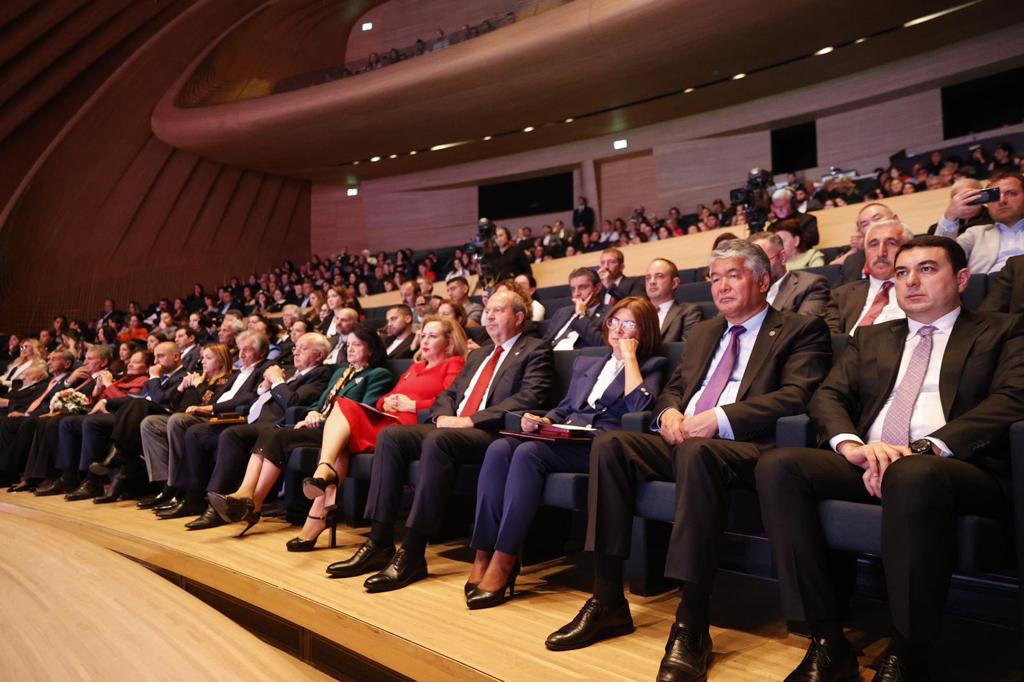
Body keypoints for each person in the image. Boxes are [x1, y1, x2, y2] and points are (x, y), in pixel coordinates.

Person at [545, 240, 831, 682]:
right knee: (612, 444)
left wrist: (718, 419)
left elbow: (797, 395)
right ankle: (607, 600)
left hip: (750, 448)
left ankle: (692, 621)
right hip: (686, 438)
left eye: (733, 275)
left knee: (698, 451)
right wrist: (669, 414)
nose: (721, 286)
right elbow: (674, 389)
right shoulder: (703, 333)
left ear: (762, 280)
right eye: (715, 278)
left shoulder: (800, 329)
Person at [756, 235, 1024, 682]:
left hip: (957, 468)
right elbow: (828, 396)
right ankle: (826, 639)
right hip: (871, 458)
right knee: (778, 466)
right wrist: (852, 446)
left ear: (961, 279)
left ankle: (909, 648)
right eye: (902, 273)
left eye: (927, 269)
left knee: (913, 474)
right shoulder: (872, 337)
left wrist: (924, 448)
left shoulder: (1003, 330)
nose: (911, 281)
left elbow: (1013, 398)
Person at [325, 290, 552, 592]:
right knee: (391, 436)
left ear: (519, 317)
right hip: (453, 427)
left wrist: (471, 420)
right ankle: (379, 541)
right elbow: (449, 394)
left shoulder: (535, 349)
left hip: (492, 434)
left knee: (439, 441)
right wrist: (443, 416)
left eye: (498, 310)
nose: (489, 316)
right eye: (488, 310)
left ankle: (413, 551)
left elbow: (530, 397)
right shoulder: (480, 354)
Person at [467, 297, 666, 609]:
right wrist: (545, 421)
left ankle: (505, 561)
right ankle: (482, 554)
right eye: (614, 321)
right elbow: (565, 408)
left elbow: (639, 407)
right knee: (499, 448)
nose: (617, 330)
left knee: (528, 454)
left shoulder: (651, 365)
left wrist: (629, 358)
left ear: (645, 331)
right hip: (564, 436)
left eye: (629, 324)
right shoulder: (588, 362)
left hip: (599, 446)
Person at [170, 325, 393, 530]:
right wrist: (311, 412)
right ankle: (245, 496)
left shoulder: (377, 375)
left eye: (357, 345)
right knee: (271, 433)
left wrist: (320, 419)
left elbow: (363, 411)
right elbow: (319, 403)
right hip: (314, 423)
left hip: (339, 433)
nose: (350, 349)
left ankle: (253, 502)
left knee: (272, 433)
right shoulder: (340, 373)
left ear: (371, 349)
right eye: (348, 344)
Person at [277, 317, 467, 551]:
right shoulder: (416, 367)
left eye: (433, 336)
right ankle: (320, 505)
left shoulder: (454, 364)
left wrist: (412, 406)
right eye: (424, 335)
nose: (425, 341)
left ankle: (320, 498)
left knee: (344, 412)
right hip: (388, 420)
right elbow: (386, 398)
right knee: (342, 422)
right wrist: (386, 402)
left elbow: (452, 402)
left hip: (409, 429)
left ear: (449, 342)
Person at [825, 220, 914, 335]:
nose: (881, 253)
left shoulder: (921, 290)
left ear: (909, 250)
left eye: (891, 243)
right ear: (865, 252)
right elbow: (830, 338)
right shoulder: (841, 295)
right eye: (874, 244)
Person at [933, 173, 1024, 274]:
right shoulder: (975, 234)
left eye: (1011, 193)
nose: (1002, 200)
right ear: (987, 204)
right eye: (995, 196)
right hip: (988, 282)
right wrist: (950, 216)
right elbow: (939, 258)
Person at [748, 232, 829, 317]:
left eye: (762, 261)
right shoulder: (746, 289)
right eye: (751, 264)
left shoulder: (810, 285)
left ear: (782, 257)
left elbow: (805, 324)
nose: (756, 268)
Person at [831, 203, 900, 285]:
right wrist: (855, 249)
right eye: (865, 224)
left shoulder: (912, 249)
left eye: (877, 219)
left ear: (895, 219)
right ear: (860, 232)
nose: (872, 226)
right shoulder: (854, 260)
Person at [543, 268, 607, 350]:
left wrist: (581, 316)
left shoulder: (608, 313)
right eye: (573, 289)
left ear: (597, 288)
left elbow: (602, 344)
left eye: (582, 287)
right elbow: (545, 343)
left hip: (577, 356)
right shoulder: (562, 312)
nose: (576, 294)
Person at [643, 258, 702, 342]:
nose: (652, 282)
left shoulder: (688, 312)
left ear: (674, 283)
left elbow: (688, 347)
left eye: (659, 276)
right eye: (648, 278)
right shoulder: (635, 313)